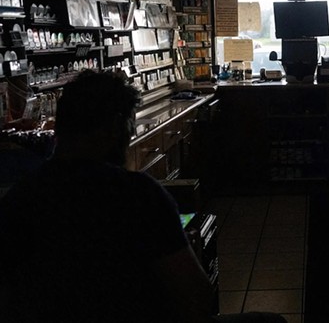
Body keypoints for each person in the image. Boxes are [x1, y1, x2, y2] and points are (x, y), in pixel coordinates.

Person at [0, 70, 285, 323]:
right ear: (114, 126)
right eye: (129, 124)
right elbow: (197, 298)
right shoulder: (136, 194)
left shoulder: (20, 197)